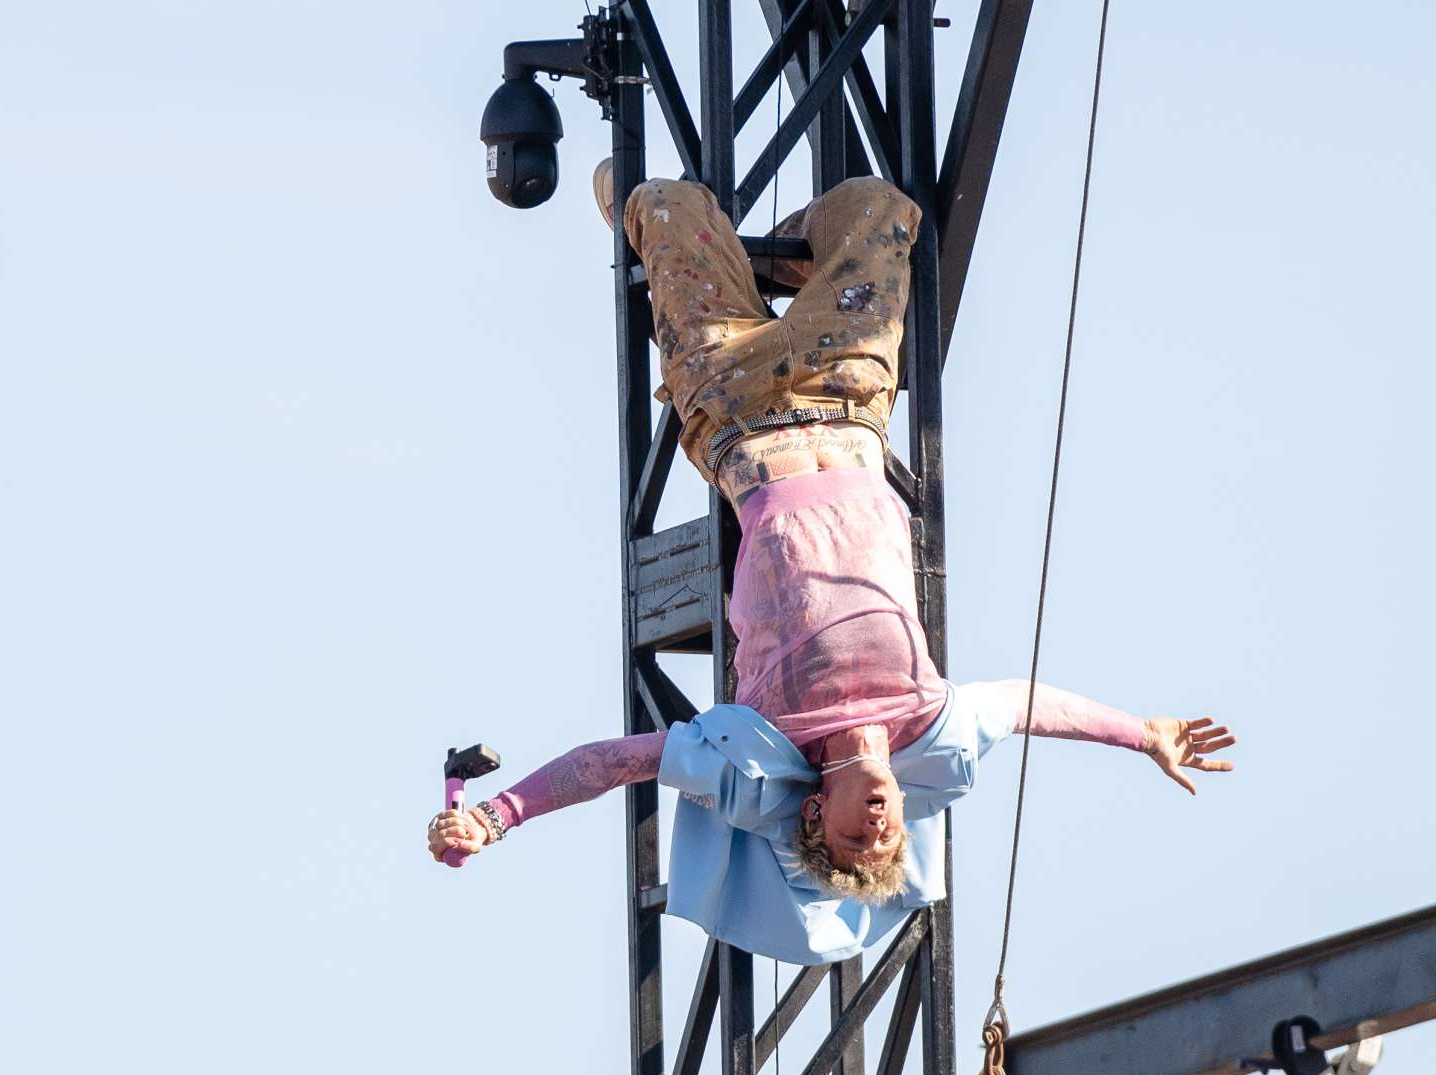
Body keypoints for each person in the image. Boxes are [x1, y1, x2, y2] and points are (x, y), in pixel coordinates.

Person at [429, 166, 1235, 963]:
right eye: (888, 838)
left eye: (856, 836)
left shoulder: (758, 741)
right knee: (882, 209)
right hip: (848, 392)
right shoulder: (930, 722)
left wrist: (499, 815)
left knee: (668, 206)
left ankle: (676, 233)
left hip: (734, 402)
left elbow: (617, 761)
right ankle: (786, 261)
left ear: (814, 815)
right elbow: (1027, 704)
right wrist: (1141, 733)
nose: (879, 825)